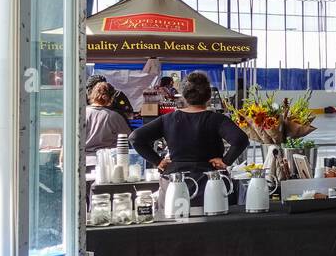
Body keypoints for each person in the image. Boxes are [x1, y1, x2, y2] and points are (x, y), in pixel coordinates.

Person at [129, 72, 248, 204]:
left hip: (174, 183)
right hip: (210, 183)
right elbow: (240, 139)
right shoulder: (216, 119)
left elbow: (135, 138)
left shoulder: (168, 119)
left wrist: (157, 161)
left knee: (174, 221)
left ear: (184, 96)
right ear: (208, 96)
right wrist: (226, 161)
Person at [85, 80, 131, 155]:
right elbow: (129, 137)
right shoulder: (114, 116)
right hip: (107, 159)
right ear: (110, 97)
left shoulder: (82, 113)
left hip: (84, 159)